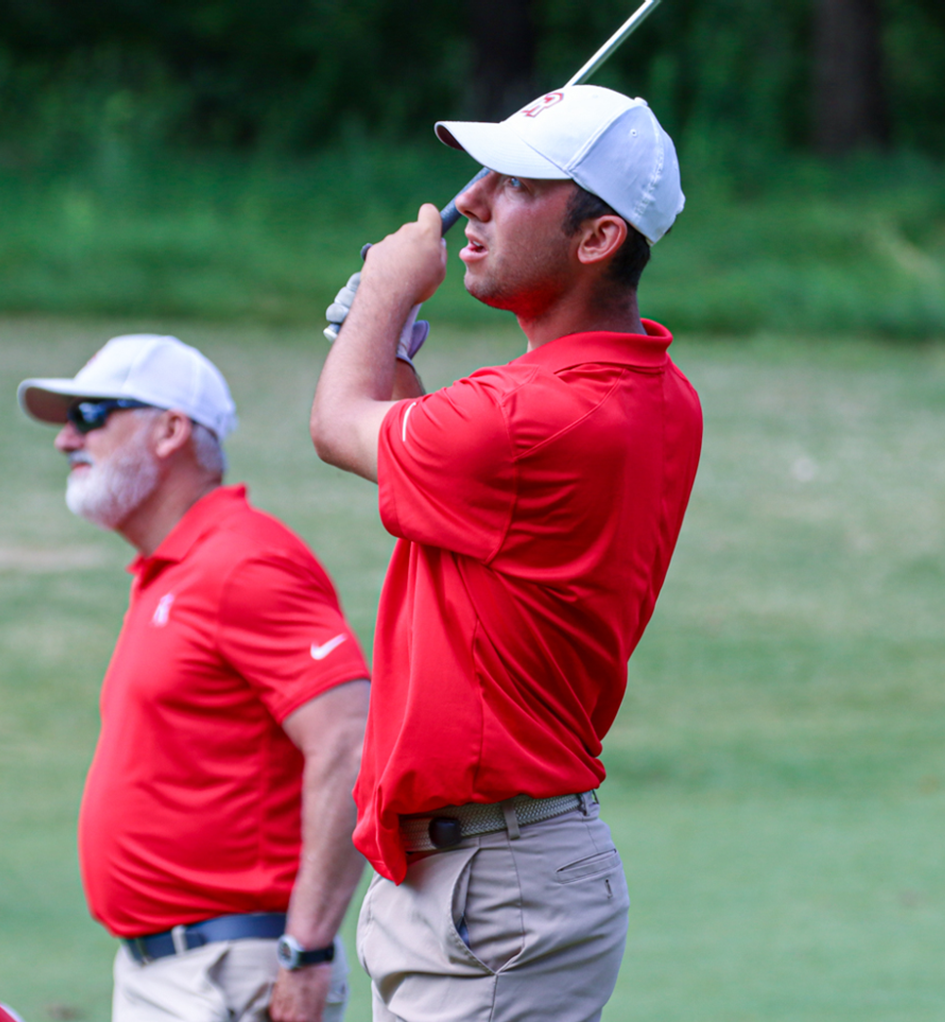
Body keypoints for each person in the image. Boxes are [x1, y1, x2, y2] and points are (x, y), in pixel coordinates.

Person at [309, 85, 703, 1021]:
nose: (473, 200)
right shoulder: (646, 387)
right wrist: (381, 331)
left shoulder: (528, 417)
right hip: (489, 875)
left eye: (516, 183)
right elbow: (436, 453)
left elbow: (337, 425)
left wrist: (387, 294)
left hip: (495, 883)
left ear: (597, 239)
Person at [17, 334, 372, 1022]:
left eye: (90, 416)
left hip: (230, 975)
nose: (65, 439)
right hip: (175, 971)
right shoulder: (176, 569)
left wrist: (306, 950)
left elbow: (351, 742)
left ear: (171, 431)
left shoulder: (243, 562)